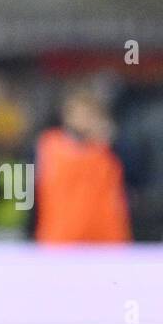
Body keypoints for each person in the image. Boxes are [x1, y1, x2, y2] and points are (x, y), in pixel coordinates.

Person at [32, 87, 132, 244]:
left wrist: (112, 142)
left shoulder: (112, 148)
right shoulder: (48, 145)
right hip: (59, 241)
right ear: (67, 115)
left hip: (106, 242)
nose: (83, 119)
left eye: (89, 114)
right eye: (79, 113)